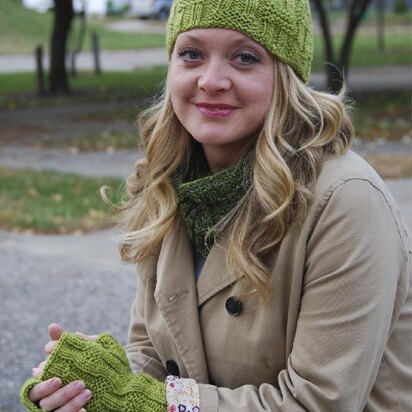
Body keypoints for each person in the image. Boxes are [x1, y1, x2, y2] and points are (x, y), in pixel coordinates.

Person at [21, 0, 412, 411]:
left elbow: (317, 403)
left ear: (286, 77)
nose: (210, 80)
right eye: (191, 54)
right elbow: (154, 357)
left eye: (245, 58)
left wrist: (135, 401)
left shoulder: (346, 200)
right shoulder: (171, 180)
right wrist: (86, 389)